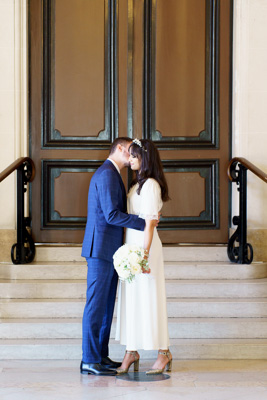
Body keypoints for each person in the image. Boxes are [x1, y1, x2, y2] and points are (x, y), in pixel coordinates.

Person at [80, 137, 154, 376]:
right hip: (100, 250)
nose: (132, 156)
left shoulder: (114, 174)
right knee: (96, 306)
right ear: (120, 148)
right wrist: (144, 223)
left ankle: (100, 356)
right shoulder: (107, 174)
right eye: (130, 152)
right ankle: (89, 360)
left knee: (106, 307)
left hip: (110, 250)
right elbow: (111, 215)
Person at [115, 138, 172, 375]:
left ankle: (164, 353)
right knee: (132, 298)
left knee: (150, 298)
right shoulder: (137, 184)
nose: (130, 160)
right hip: (132, 244)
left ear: (145, 159)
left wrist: (144, 257)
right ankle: (131, 350)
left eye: (134, 156)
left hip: (145, 246)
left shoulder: (150, 185)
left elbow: (149, 225)